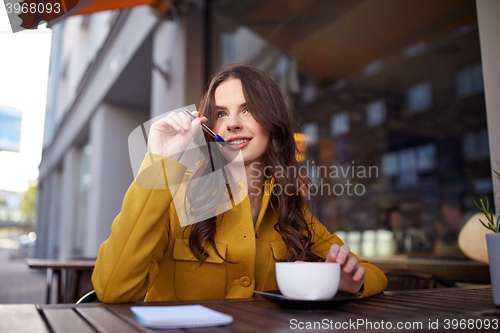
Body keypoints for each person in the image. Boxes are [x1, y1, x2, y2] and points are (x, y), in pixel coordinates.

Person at [92, 65, 387, 303]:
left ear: (273, 124)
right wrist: (159, 162)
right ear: (211, 128)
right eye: (221, 113)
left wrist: (351, 280)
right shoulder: (174, 194)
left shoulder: (289, 207)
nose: (232, 123)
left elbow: (372, 274)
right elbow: (112, 288)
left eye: (247, 109)